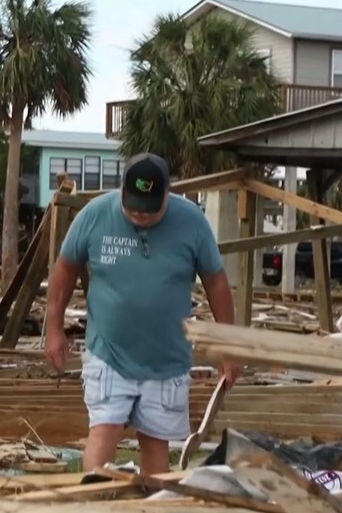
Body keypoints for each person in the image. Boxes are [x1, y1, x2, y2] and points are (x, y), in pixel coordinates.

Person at [44, 152, 238, 477]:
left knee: (156, 441)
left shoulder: (192, 222)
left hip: (167, 359)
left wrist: (228, 346)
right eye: (131, 206)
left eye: (148, 209)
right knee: (104, 428)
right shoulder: (95, 215)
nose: (138, 215)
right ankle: (95, 504)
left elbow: (217, 283)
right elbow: (64, 269)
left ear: (166, 195)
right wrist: (54, 329)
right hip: (109, 352)